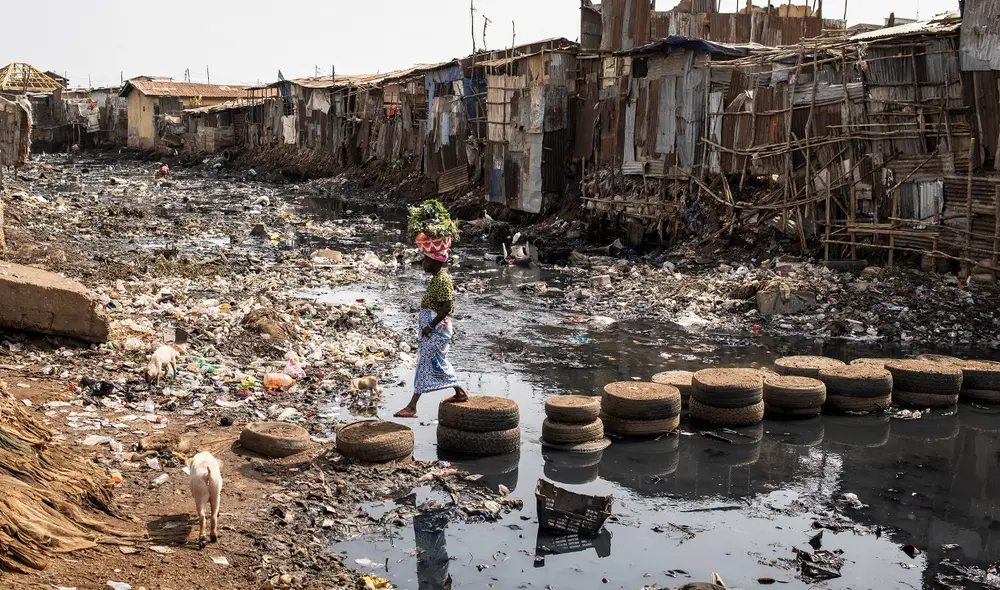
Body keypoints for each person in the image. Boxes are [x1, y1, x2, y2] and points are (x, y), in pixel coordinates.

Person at [394, 252, 469, 418]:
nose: (423, 263)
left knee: (427, 363)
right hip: (433, 328)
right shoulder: (438, 278)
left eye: (427, 260)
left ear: (436, 262)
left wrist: (430, 325)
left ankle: (412, 406)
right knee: (434, 362)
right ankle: (459, 392)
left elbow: (447, 306)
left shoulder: (443, 280)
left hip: (436, 329)